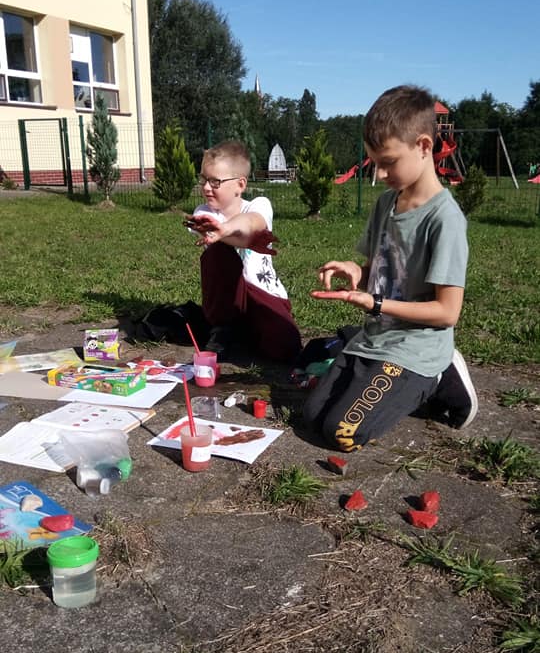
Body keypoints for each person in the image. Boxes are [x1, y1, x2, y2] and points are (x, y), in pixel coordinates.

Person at [303, 84, 478, 452]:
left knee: (342, 432)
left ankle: (442, 376)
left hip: (416, 347)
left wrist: (376, 304)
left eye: (388, 162)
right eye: (374, 163)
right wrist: (356, 272)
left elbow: (447, 312)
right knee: (311, 416)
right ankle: (399, 382)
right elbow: (379, 270)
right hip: (375, 338)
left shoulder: (444, 219)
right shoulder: (386, 204)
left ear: (424, 146)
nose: (380, 174)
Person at [184, 140, 302, 362]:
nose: (206, 187)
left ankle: (248, 330)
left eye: (215, 181)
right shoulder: (204, 213)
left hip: (262, 293)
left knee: (286, 347)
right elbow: (221, 235)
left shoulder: (259, 205)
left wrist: (224, 230)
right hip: (229, 299)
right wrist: (219, 233)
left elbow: (251, 226)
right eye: (203, 179)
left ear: (240, 184)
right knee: (218, 251)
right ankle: (222, 327)